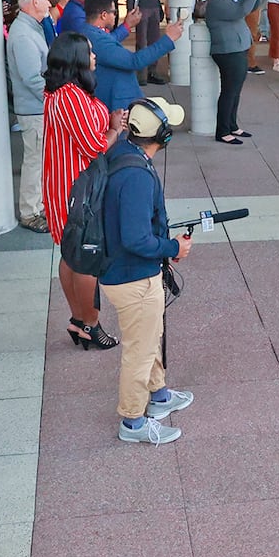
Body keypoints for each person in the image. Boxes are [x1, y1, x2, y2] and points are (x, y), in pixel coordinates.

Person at [104, 97, 194, 445]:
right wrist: (173, 248)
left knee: (149, 335)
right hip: (133, 277)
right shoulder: (137, 177)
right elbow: (137, 238)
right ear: (164, 135)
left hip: (124, 270)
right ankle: (132, 422)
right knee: (139, 351)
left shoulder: (122, 155)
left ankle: (158, 396)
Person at [44, 32, 126, 349]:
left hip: (65, 184)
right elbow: (93, 146)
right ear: (77, 58)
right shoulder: (70, 96)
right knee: (87, 257)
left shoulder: (61, 92)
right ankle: (90, 323)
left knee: (71, 254)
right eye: (89, 52)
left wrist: (108, 119)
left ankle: (79, 320)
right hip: (79, 189)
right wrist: (115, 130)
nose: (94, 56)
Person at [78, 0, 182, 112]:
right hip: (118, 106)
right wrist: (168, 39)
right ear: (104, 15)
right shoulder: (96, 39)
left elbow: (109, 42)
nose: (115, 15)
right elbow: (134, 61)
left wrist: (127, 25)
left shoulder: (89, 31)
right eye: (114, 12)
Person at [8, 0, 55, 232]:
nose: (49, 3)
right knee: (35, 162)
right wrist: (53, 100)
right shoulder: (24, 34)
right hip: (34, 109)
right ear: (34, 1)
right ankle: (29, 212)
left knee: (38, 160)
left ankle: (36, 206)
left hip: (37, 107)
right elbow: (32, 78)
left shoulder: (29, 28)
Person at [204, 0, 265, 143]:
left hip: (238, 48)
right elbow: (240, 12)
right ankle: (222, 131)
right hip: (228, 51)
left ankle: (232, 125)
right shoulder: (216, 3)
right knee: (229, 92)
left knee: (235, 90)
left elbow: (249, 5)